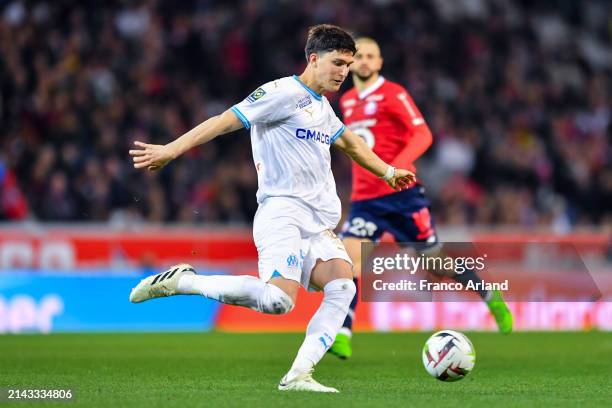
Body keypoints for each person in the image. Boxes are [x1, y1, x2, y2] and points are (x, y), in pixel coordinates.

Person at [128, 25, 415, 393]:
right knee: (279, 302)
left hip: (317, 223)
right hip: (283, 213)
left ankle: (299, 376)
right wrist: (171, 149)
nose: (345, 71)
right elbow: (222, 121)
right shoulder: (281, 93)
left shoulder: (321, 107)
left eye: (349, 64)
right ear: (314, 59)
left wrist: (389, 172)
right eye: (338, 63)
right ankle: (184, 281)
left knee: (343, 286)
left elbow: (353, 145)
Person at [328, 37, 513, 360]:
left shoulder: (394, 94)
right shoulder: (347, 101)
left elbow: (423, 133)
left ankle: (489, 295)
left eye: (372, 56)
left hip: (402, 196)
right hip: (366, 200)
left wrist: (398, 165)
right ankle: (343, 331)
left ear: (380, 62)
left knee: (436, 264)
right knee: (348, 260)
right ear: (352, 62)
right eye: (360, 56)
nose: (366, 61)